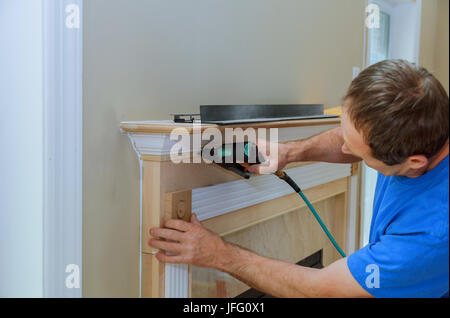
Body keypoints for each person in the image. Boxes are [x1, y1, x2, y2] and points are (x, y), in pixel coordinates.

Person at [148, 60, 449, 297]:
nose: (345, 148)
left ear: (414, 162)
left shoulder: (431, 236)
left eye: (357, 150)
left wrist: (220, 255)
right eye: (346, 134)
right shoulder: (422, 117)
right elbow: (352, 139)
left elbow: (321, 289)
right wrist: (290, 153)